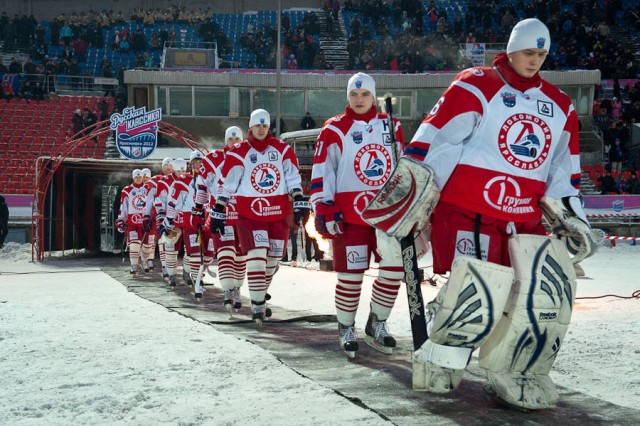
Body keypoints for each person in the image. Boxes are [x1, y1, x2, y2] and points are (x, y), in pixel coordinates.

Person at [362, 19, 598, 410]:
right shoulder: (476, 84)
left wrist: (572, 216)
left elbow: (563, 171)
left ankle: (514, 370)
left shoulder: (559, 105)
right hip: (469, 210)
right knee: (478, 294)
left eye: (542, 54)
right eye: (529, 52)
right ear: (511, 48)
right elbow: (434, 142)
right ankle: (441, 362)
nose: (535, 60)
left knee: (536, 300)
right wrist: (406, 205)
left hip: (524, 220)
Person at [310, 72, 406, 359]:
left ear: (373, 96)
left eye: (365, 95)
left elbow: (403, 166)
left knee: (394, 269)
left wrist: (408, 204)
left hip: (387, 213)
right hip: (349, 215)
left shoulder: (392, 125)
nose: (360, 99)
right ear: (347, 97)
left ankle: (377, 321)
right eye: (354, 94)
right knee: (351, 276)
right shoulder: (334, 129)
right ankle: (346, 327)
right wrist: (323, 206)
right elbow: (322, 171)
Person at [209, 108, 306, 324]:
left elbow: (292, 176)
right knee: (256, 257)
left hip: (277, 213)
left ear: (268, 126)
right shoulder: (239, 152)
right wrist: (219, 208)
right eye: (257, 125)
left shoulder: (281, 149)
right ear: (250, 127)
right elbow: (228, 183)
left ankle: (259, 294)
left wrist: (299, 197)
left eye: (264, 125)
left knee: (271, 262)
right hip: (250, 215)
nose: (261, 129)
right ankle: (257, 305)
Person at [196, 126, 246, 311]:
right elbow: (202, 185)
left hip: (243, 215)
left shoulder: (248, 155)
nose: (234, 143)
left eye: (238, 139)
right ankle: (227, 290)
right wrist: (198, 208)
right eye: (231, 139)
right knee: (225, 254)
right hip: (221, 214)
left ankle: (237, 289)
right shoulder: (213, 158)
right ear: (226, 141)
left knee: (241, 257)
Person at [115, 169, 154, 275]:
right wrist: (121, 219)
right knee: (134, 245)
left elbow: (153, 204)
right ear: (133, 177)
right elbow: (123, 206)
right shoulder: (127, 190)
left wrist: (153, 217)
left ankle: (144, 261)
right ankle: (134, 265)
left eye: (140, 177)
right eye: (136, 177)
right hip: (132, 222)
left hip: (146, 222)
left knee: (147, 247)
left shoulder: (149, 188)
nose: (138, 179)